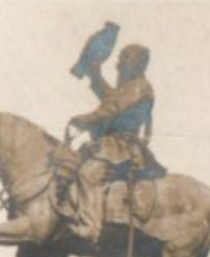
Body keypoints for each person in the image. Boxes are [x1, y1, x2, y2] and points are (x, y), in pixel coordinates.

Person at [66, 41, 157, 243]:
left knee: (89, 174)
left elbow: (114, 106)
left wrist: (87, 118)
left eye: (125, 59)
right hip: (109, 143)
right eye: (120, 59)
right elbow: (110, 97)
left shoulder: (140, 87)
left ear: (138, 63)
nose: (119, 64)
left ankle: (90, 228)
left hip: (121, 146)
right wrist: (95, 73)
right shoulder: (129, 87)